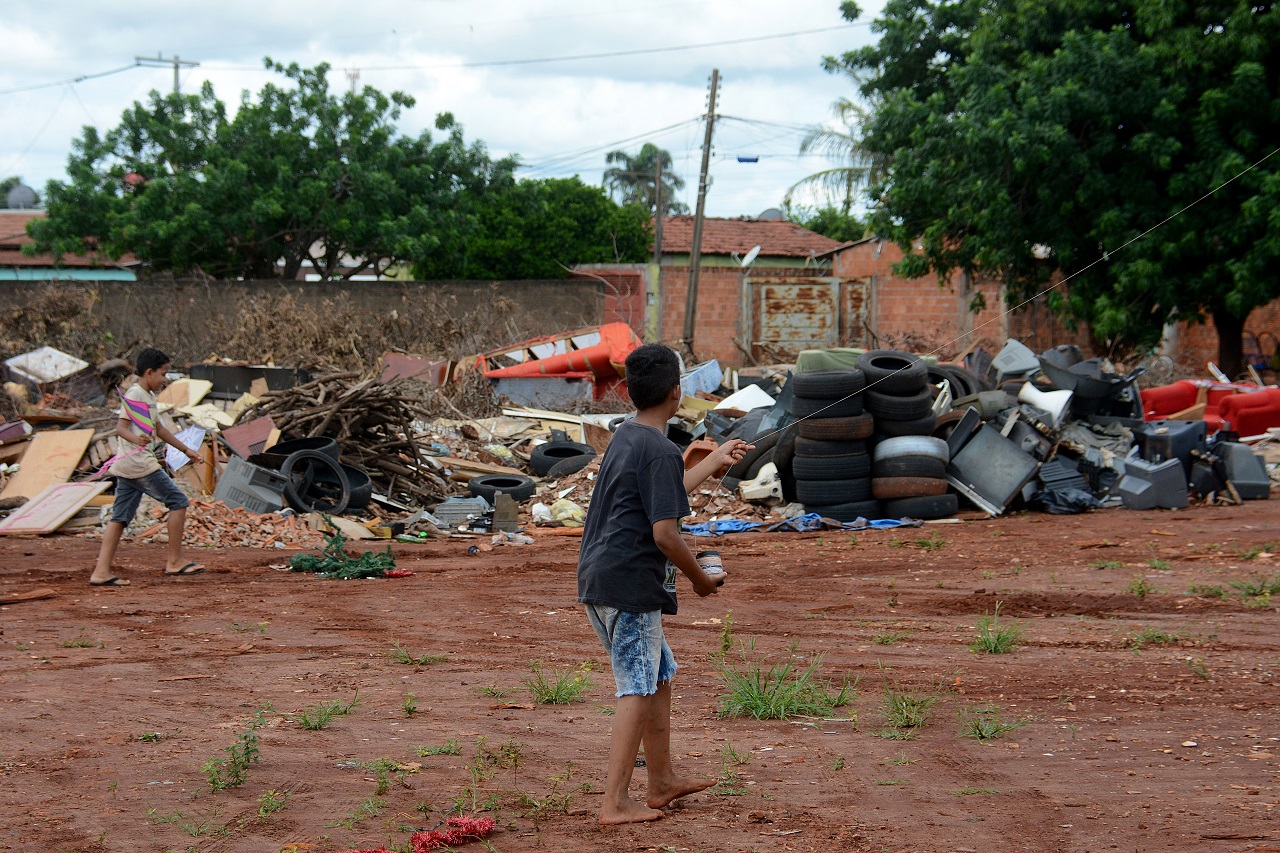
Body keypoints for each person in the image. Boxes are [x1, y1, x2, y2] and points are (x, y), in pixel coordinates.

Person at [577, 343, 752, 825]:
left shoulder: (629, 436)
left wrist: (713, 460)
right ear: (677, 392)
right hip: (629, 583)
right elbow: (665, 533)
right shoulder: (655, 449)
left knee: (658, 674)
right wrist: (699, 580)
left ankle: (661, 780)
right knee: (636, 685)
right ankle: (614, 802)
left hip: (601, 575)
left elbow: (664, 485)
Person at [88, 348, 205, 587]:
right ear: (149, 372)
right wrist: (135, 439)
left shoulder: (148, 395)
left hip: (128, 466)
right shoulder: (135, 393)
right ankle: (174, 561)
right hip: (139, 463)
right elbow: (121, 428)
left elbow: (159, 429)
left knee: (119, 518)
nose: (165, 379)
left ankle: (101, 572)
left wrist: (186, 450)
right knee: (179, 502)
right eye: (163, 373)